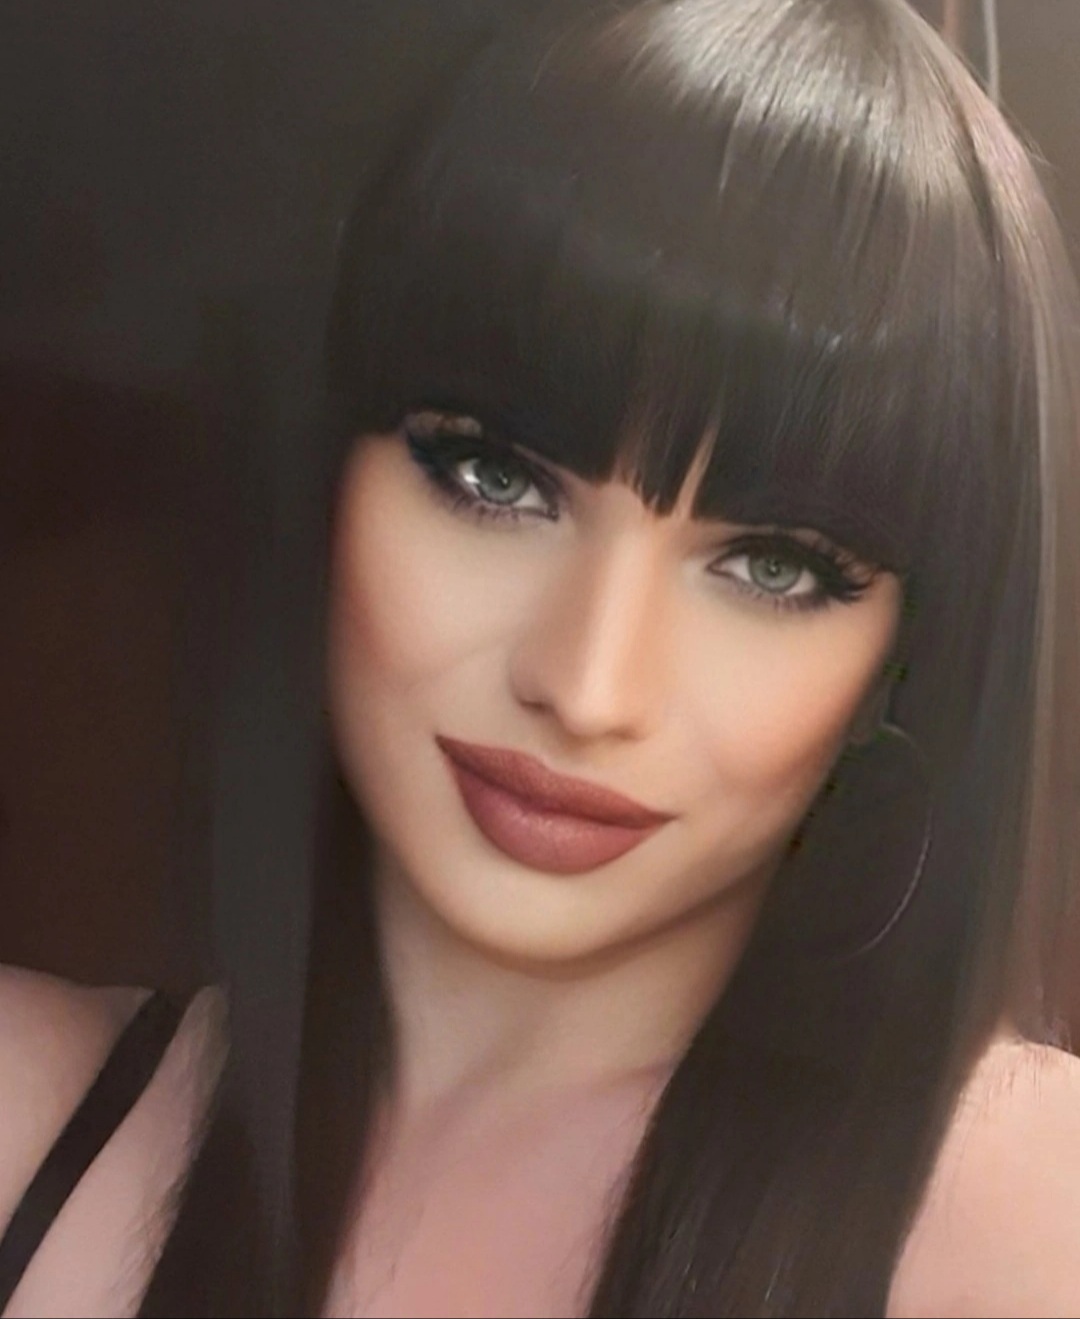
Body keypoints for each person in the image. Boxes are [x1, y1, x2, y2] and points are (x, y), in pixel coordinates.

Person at [3, 0, 1080, 1314]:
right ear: (327, 475)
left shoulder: (1036, 1222)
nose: (586, 686)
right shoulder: (29, 1115)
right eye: (494, 479)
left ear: (901, 664)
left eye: (774, 567)